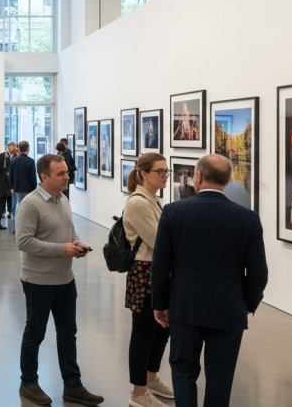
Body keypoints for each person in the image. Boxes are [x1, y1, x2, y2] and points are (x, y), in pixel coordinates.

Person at [152, 154, 268, 407]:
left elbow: (161, 265)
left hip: (184, 307)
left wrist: (160, 304)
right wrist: (245, 304)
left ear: (199, 177)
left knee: (183, 370)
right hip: (228, 310)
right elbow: (258, 272)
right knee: (221, 375)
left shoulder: (173, 212)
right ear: (226, 180)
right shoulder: (247, 218)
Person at [16, 154, 104, 407]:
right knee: (35, 334)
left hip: (65, 280)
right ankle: (29, 383)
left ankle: (73, 386)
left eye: (66, 172)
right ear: (44, 177)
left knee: (68, 334)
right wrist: (62, 249)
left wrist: (76, 243)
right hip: (38, 282)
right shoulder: (30, 204)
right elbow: (23, 241)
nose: (67, 176)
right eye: (61, 174)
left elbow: (69, 228)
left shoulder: (63, 198)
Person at [122, 153, 174, 407]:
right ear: (144, 173)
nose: (165, 175)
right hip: (145, 273)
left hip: (158, 271)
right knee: (143, 333)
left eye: (166, 171)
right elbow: (159, 242)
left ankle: (151, 377)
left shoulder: (153, 199)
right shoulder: (139, 203)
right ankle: (138, 393)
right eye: (160, 171)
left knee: (161, 329)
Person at [8, 140, 37, 233]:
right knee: (29, 209)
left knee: (19, 208)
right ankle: (29, 229)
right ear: (28, 149)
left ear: (18, 149)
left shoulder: (13, 160)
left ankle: (18, 228)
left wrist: (12, 187)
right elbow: (33, 177)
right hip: (29, 189)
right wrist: (35, 187)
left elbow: (11, 175)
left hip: (17, 188)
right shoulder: (31, 161)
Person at [4, 141, 18, 216]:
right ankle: (4, 211)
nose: (10, 147)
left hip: (14, 178)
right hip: (5, 178)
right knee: (5, 194)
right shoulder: (5, 155)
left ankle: (11, 211)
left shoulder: (17, 156)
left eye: (12, 146)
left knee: (12, 195)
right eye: (9, 146)